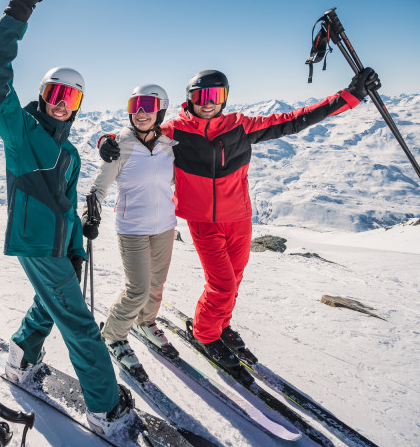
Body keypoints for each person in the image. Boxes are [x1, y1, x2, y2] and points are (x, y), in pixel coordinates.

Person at [99, 67, 381, 371]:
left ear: (225, 98)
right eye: (200, 95)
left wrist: (350, 96)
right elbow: (138, 134)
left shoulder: (240, 125)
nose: (207, 102)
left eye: (215, 95)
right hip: (203, 221)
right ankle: (206, 333)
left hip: (239, 218)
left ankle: (220, 323)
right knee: (221, 283)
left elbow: (293, 121)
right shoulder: (175, 130)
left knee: (234, 280)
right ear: (189, 99)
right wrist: (106, 139)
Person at [0, 0, 133, 436]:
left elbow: (64, 208)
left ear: (78, 106)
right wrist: (21, 8)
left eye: (70, 98)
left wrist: (75, 247)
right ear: (42, 94)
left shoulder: (68, 153)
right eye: (54, 93)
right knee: (82, 326)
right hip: (32, 244)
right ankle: (104, 408)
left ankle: (20, 357)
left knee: (51, 304)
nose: (60, 104)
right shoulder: (21, 131)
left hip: (53, 248)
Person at [83, 84, 180, 384]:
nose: (140, 112)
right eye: (135, 105)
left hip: (165, 226)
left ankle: (146, 322)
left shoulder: (168, 145)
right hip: (132, 229)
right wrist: (91, 212)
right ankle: (113, 334)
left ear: (160, 110)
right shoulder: (119, 145)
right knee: (137, 288)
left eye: (148, 105)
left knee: (156, 284)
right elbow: (99, 186)